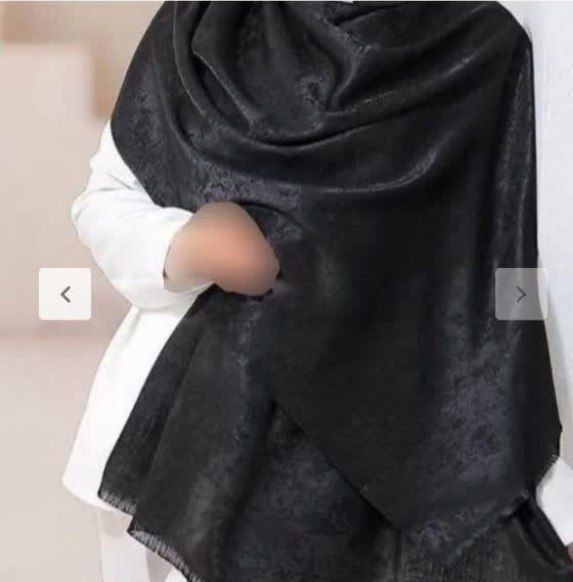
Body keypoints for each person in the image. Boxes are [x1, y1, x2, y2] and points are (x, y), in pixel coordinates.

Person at [62, 2, 573, 581]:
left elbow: (504, 267)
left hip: (402, 456)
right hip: (184, 458)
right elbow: (106, 197)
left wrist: (550, 494)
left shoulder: (476, 49)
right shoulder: (200, 22)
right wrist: (184, 245)